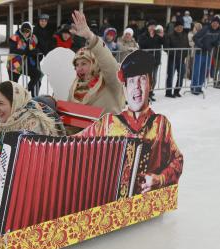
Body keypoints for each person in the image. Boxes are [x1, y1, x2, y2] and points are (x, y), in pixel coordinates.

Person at [75, 50, 183, 193]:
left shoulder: (161, 124)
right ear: (125, 89)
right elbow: (74, 144)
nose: (136, 86)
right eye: (131, 81)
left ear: (151, 84)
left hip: (145, 206)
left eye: (142, 79)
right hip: (109, 202)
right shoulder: (108, 122)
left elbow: (177, 160)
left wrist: (160, 179)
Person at [68, 11, 125, 115]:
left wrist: (90, 36)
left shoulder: (109, 82)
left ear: (94, 63)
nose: (79, 68)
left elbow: (109, 64)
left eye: (84, 64)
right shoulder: (74, 88)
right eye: (77, 65)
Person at [7, 22, 41, 98]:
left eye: (27, 31)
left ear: (30, 31)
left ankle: (25, 92)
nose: (25, 33)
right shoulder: (15, 37)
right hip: (14, 64)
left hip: (26, 63)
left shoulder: (33, 38)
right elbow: (13, 50)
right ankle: (12, 102)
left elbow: (35, 48)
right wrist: (27, 52)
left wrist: (36, 52)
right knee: (13, 86)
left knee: (37, 74)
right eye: (24, 31)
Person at [190, 17, 220, 95]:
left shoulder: (218, 31)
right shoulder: (206, 29)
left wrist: (216, 43)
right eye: (214, 23)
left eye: (217, 23)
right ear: (211, 23)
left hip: (208, 54)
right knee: (197, 71)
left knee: (204, 72)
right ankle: (194, 88)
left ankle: (199, 87)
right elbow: (195, 37)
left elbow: (217, 40)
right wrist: (201, 46)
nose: (215, 24)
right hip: (200, 53)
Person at [138, 20, 164, 102]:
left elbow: (164, 43)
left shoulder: (157, 35)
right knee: (147, 79)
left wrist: (162, 36)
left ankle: (150, 93)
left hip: (156, 60)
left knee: (154, 79)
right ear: (148, 27)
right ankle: (145, 94)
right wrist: (151, 37)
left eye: (154, 26)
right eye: (151, 26)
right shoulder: (143, 35)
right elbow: (142, 44)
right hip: (146, 60)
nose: (152, 27)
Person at [164, 19, 190, 98]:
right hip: (173, 59)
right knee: (171, 75)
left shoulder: (185, 35)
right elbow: (166, 48)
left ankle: (177, 91)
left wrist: (185, 54)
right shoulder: (169, 35)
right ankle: (168, 92)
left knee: (181, 75)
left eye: (181, 27)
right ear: (175, 27)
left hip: (182, 59)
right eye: (178, 27)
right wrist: (174, 53)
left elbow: (187, 46)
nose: (180, 28)